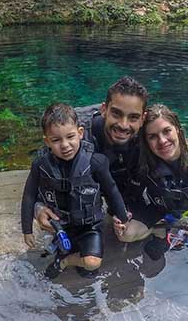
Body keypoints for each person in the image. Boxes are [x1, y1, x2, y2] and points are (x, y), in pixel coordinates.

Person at [21, 103, 130, 278]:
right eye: (56, 140)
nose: (65, 145)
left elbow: (111, 190)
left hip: (90, 225)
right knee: (73, 256)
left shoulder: (96, 162)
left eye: (70, 136)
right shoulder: (40, 165)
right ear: (47, 141)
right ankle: (64, 255)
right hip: (60, 225)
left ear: (80, 133)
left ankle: (64, 262)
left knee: (91, 263)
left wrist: (122, 216)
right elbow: (28, 196)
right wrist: (27, 230)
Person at [114, 104, 188, 259]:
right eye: (152, 136)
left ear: (177, 129)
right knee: (125, 234)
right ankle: (160, 231)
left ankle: (182, 233)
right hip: (160, 213)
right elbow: (132, 196)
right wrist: (124, 216)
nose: (162, 141)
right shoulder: (143, 164)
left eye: (166, 131)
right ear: (146, 141)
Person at [34, 77, 148, 232]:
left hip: (121, 180)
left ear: (143, 119)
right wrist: (39, 208)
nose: (123, 124)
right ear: (103, 109)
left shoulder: (150, 135)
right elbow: (40, 170)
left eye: (133, 117)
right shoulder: (72, 132)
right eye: (116, 114)